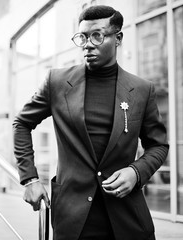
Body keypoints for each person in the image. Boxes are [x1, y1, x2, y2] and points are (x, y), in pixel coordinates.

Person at [13, 5, 169, 240]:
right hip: (72, 218)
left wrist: (136, 172)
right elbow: (21, 123)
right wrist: (30, 179)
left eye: (97, 35)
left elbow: (158, 145)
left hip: (127, 218)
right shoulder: (56, 82)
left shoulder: (142, 90)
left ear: (118, 38)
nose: (88, 44)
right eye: (82, 37)